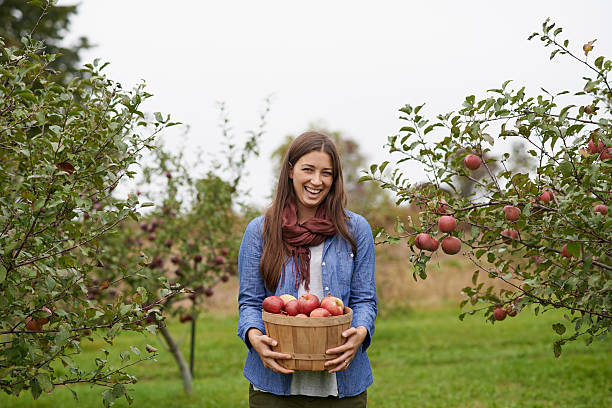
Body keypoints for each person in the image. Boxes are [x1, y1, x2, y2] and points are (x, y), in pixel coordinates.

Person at [237, 131, 377, 407]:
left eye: (326, 173)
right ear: (291, 171)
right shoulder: (260, 231)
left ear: (335, 178)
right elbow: (249, 302)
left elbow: (364, 300)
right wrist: (255, 338)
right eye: (308, 170)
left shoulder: (354, 230)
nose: (317, 181)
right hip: (273, 385)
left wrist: (360, 332)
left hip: (342, 385)